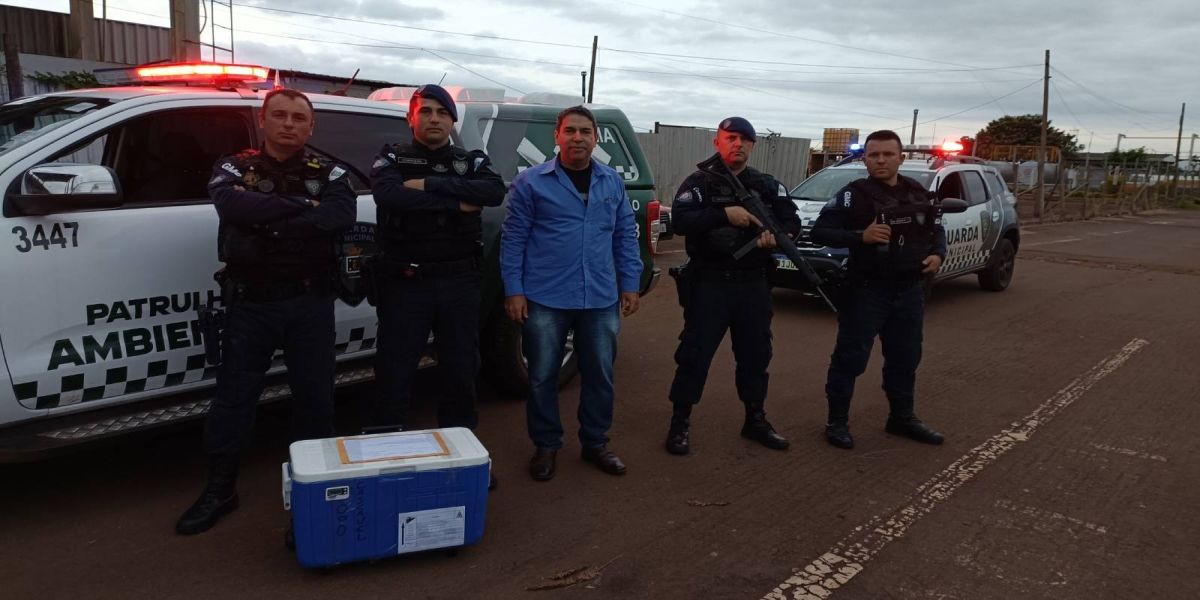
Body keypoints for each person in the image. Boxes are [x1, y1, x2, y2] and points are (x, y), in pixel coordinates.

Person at [177, 88, 356, 535]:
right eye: (280, 115)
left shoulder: (329, 172)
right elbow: (231, 203)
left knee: (315, 399)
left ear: (311, 126)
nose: (289, 124)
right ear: (263, 120)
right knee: (234, 400)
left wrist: (264, 221)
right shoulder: (235, 167)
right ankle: (221, 488)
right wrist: (302, 207)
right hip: (250, 304)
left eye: (299, 117)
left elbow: (337, 216)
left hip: (309, 302)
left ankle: (314, 491)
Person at [367, 85, 505, 489]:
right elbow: (388, 196)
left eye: (442, 113)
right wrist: (456, 202)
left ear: (452, 121)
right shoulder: (393, 157)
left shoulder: (471, 160)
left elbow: (493, 192)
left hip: (459, 282)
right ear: (411, 118)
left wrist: (425, 185)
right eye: (425, 111)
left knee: (460, 373)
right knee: (394, 372)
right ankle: (386, 462)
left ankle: (463, 460)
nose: (433, 118)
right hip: (405, 283)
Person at [501, 105, 643, 481]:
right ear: (557, 136)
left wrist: (630, 282)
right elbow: (513, 241)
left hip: (600, 297)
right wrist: (514, 290)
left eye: (584, 132)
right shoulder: (531, 183)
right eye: (570, 131)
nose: (577, 138)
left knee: (600, 375)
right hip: (546, 297)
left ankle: (596, 443)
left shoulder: (612, 182)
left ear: (595, 139)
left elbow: (624, 236)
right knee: (542, 376)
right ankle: (546, 445)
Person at [664, 117, 800, 456]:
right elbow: (680, 221)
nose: (737, 144)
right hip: (710, 285)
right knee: (694, 356)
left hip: (753, 285)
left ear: (753, 145)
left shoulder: (767, 185)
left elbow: (791, 222)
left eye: (744, 139)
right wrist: (724, 215)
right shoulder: (699, 183)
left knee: (756, 356)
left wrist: (777, 237)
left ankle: (755, 419)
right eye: (731, 138)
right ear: (718, 143)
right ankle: (680, 422)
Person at [809, 129, 947, 450]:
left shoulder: (916, 192)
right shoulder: (852, 195)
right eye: (874, 155)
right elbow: (820, 232)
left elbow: (935, 229)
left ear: (901, 157)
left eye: (888, 154)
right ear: (865, 160)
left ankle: (901, 418)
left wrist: (938, 254)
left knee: (905, 356)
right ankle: (837, 422)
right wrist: (861, 236)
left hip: (909, 290)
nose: (881, 160)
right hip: (867, 290)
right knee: (850, 358)